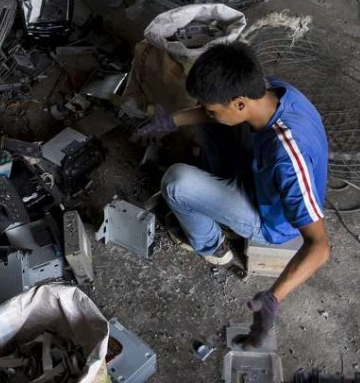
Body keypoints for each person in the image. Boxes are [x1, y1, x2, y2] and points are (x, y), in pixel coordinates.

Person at [133, 41, 330, 350]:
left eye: (212, 107)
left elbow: (319, 246)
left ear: (239, 103)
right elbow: (212, 112)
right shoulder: (273, 91)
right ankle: (217, 193)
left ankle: (211, 245)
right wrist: (170, 121)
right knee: (214, 125)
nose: (206, 111)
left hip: (269, 220)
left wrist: (272, 299)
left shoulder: (288, 157)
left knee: (175, 181)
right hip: (260, 175)